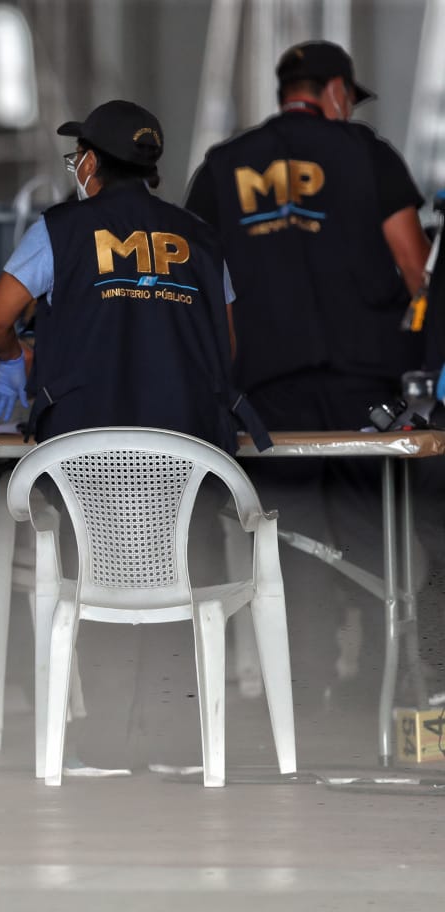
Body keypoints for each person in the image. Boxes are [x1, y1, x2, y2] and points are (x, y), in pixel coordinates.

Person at [185, 41, 430, 705]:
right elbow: (416, 270)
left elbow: (204, 286)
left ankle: (305, 688)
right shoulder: (367, 153)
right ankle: (384, 686)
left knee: (288, 538)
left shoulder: (222, 166)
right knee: (370, 529)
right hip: (364, 384)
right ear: (336, 92)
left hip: (267, 389)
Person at [0, 100, 260, 453]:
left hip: (82, 450)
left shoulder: (59, 229)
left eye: (77, 156)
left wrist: (11, 361)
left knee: (18, 498)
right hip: (188, 449)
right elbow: (226, 344)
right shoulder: (201, 237)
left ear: (91, 162)